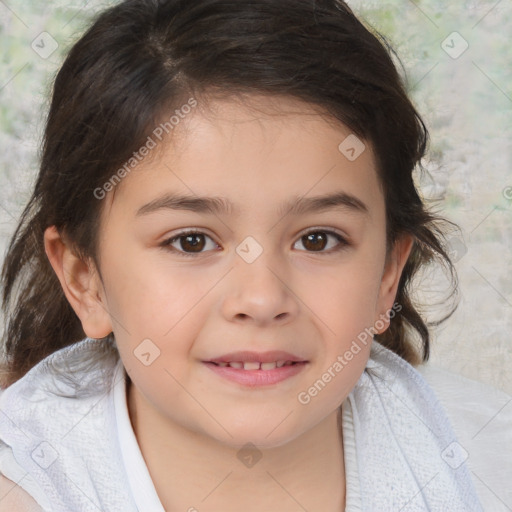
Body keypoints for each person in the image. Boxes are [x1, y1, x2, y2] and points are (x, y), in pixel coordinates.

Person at [0, 0, 506, 510]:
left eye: (318, 239)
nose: (262, 299)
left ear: (386, 275)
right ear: (84, 278)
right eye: (191, 241)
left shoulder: (488, 462)